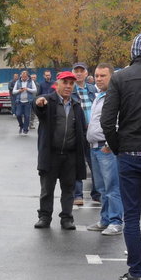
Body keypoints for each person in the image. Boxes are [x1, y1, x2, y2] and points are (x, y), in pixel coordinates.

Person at [101, 32, 141, 280]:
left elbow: (107, 120)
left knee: (131, 216)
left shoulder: (121, 77)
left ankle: (136, 272)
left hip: (131, 153)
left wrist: (118, 147)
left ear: (134, 52)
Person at [33, 71, 87, 230]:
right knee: (47, 189)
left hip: (70, 155)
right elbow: (37, 105)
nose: (68, 86)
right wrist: (38, 102)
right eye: (65, 83)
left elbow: (81, 130)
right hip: (51, 154)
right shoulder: (48, 101)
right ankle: (44, 217)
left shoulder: (76, 105)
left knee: (68, 189)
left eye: (71, 83)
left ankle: (67, 218)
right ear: (58, 83)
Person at [84, 63, 123, 236]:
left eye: (103, 76)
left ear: (112, 77)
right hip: (94, 148)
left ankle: (116, 222)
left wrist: (109, 145)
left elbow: (119, 121)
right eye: (97, 75)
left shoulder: (115, 96)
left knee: (112, 187)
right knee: (101, 188)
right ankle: (105, 219)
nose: (98, 79)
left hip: (105, 148)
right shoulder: (99, 95)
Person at [71, 62, 99, 206]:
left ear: (87, 73)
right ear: (73, 73)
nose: (79, 73)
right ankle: (77, 195)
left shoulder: (93, 89)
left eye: (82, 71)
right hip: (77, 131)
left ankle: (96, 193)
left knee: (94, 162)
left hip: (92, 131)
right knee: (77, 163)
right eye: (77, 71)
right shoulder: (70, 90)